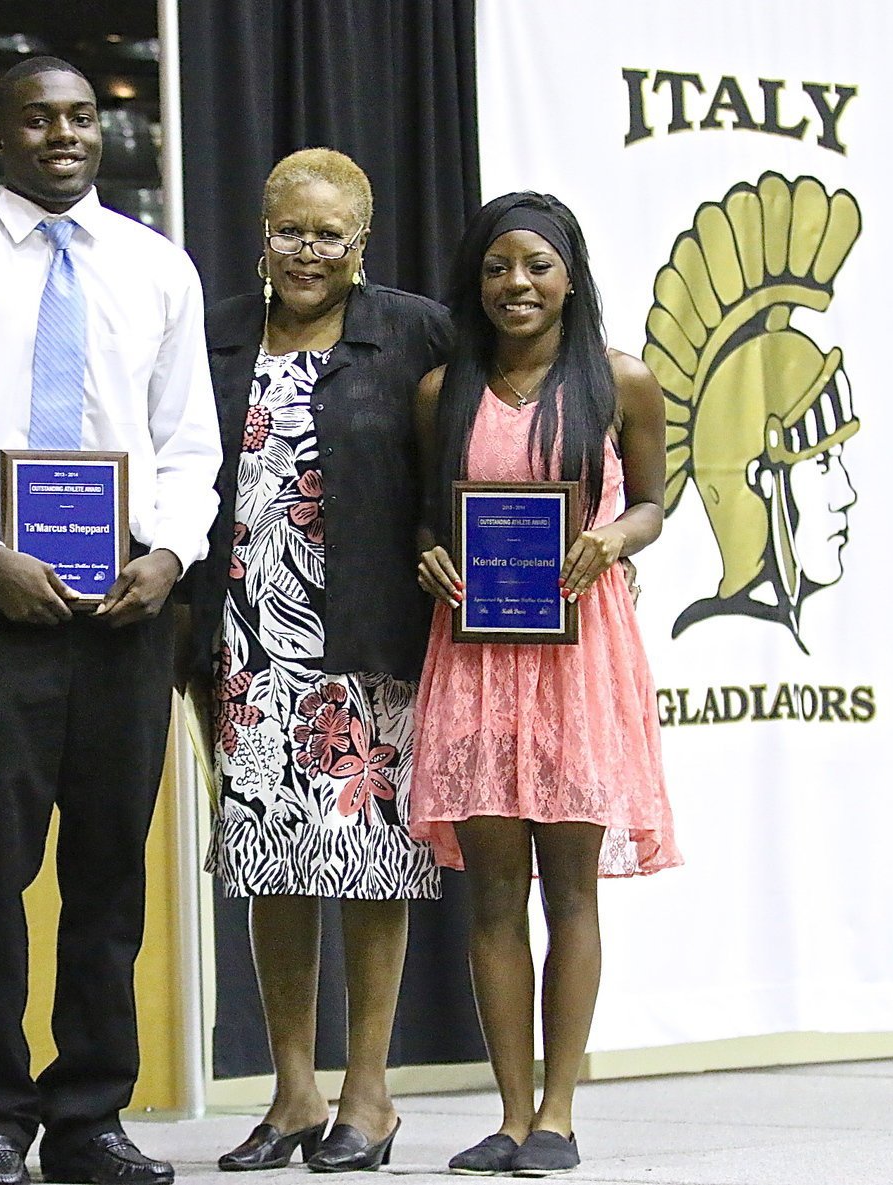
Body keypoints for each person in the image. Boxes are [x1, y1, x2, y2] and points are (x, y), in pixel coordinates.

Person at [0, 57, 220, 1185]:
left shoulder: (160, 271)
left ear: (100, 133)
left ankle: (88, 1119)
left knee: (111, 870)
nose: (62, 134)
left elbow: (190, 447)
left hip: (126, 608)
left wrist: (169, 551)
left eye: (80, 117)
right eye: (38, 118)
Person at [186, 148, 450, 1173]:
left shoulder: (415, 330)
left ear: (361, 243)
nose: (308, 250)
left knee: (369, 865)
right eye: (291, 230)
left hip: (371, 639)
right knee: (271, 867)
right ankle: (294, 1095)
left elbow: (478, 441)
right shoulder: (215, 332)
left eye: (329, 234)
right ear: (264, 233)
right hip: (245, 644)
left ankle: (369, 1097)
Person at [410, 192, 681, 1177]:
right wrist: (431, 554)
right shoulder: (444, 390)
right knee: (490, 897)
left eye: (535, 265)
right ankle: (511, 1114)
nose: (514, 285)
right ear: (474, 282)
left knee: (569, 891)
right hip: (477, 659)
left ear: (570, 274)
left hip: (578, 659)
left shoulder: (619, 383)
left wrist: (615, 536)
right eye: (495, 268)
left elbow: (653, 501)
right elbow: (425, 519)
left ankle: (560, 1115)